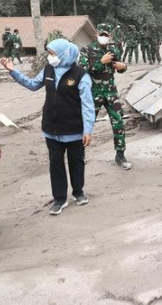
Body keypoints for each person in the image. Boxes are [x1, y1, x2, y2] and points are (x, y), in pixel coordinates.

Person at [0, 39, 95, 215]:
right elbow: (32, 84)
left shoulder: (81, 75)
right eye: (49, 53)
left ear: (64, 54)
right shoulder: (48, 70)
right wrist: (13, 72)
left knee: (77, 162)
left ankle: (78, 192)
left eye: (52, 53)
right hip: (51, 129)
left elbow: (88, 106)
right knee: (55, 164)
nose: (50, 57)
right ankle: (60, 198)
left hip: (74, 130)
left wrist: (88, 130)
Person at [79, 23, 132, 170]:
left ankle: (120, 155)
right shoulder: (86, 50)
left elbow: (118, 67)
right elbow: (83, 71)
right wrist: (100, 62)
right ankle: (80, 154)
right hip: (93, 92)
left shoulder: (114, 49)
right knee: (88, 123)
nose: (103, 37)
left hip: (111, 92)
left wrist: (123, 67)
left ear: (110, 36)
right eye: (101, 35)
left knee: (118, 122)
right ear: (96, 34)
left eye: (106, 35)